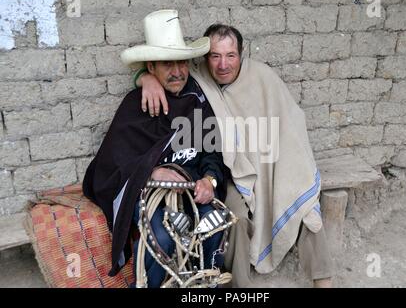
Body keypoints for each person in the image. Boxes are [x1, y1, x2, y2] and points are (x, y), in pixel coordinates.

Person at [135, 23, 334, 288]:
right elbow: (163, 73)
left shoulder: (263, 78)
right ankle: (240, 285)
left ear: (242, 54)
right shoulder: (198, 78)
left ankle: (324, 282)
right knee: (234, 218)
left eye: (231, 55)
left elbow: (290, 127)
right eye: (215, 56)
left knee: (305, 205)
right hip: (227, 170)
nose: (223, 65)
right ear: (206, 58)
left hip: (271, 164)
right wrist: (144, 79)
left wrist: (282, 167)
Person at [82, 10, 228, 287]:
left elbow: (213, 152)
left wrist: (209, 180)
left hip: (191, 191)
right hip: (149, 194)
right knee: (160, 237)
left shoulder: (197, 100)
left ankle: (204, 286)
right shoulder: (135, 105)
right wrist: (150, 171)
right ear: (150, 68)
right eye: (166, 64)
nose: (177, 72)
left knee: (213, 226)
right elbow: (110, 166)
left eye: (182, 63)